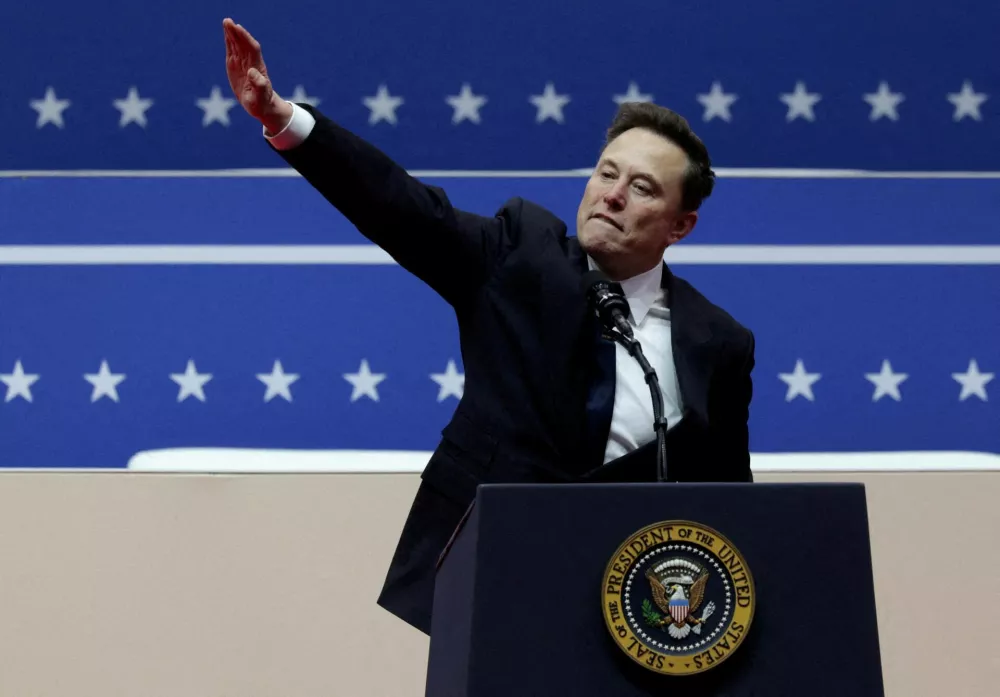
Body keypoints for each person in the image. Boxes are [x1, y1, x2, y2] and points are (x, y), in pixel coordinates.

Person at [222, 17, 755, 635]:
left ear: (680, 226)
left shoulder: (717, 341)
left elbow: (729, 502)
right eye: (606, 173)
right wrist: (285, 120)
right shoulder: (518, 253)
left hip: (638, 606)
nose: (611, 195)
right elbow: (399, 205)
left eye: (641, 188)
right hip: (493, 571)